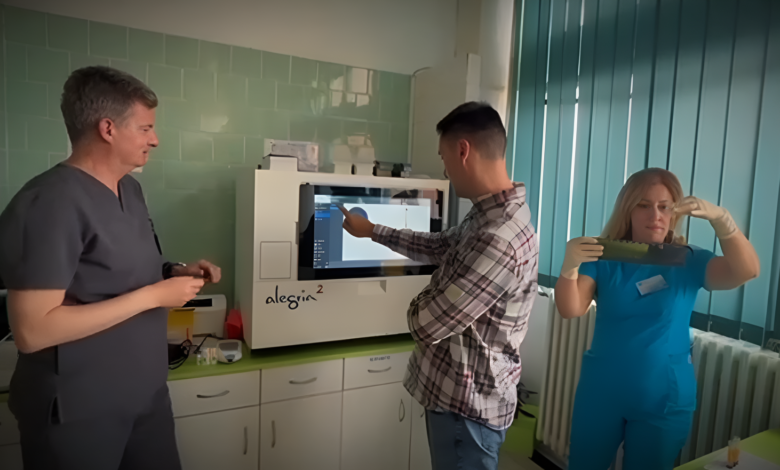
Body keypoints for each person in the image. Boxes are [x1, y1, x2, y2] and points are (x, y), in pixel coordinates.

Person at [0, 66, 222, 470]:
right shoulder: (49, 203)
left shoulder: (131, 190)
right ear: (108, 129)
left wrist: (173, 273)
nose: (155, 139)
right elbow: (32, 332)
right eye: (145, 128)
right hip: (78, 408)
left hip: (145, 395)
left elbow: (119, 267)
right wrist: (153, 296)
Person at [340, 102, 539, 470]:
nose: (445, 170)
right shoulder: (489, 214)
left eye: (444, 157)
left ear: (463, 150)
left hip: (467, 408)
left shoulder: (498, 237)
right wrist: (372, 231)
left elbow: (426, 323)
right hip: (457, 398)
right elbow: (440, 245)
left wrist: (428, 293)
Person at [555, 168, 760, 470]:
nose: (656, 215)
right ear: (628, 209)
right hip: (602, 391)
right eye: (644, 205)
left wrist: (723, 221)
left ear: (675, 212)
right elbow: (570, 308)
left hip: (663, 397)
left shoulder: (687, 259)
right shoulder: (604, 256)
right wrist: (569, 267)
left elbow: (747, 271)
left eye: (664, 206)